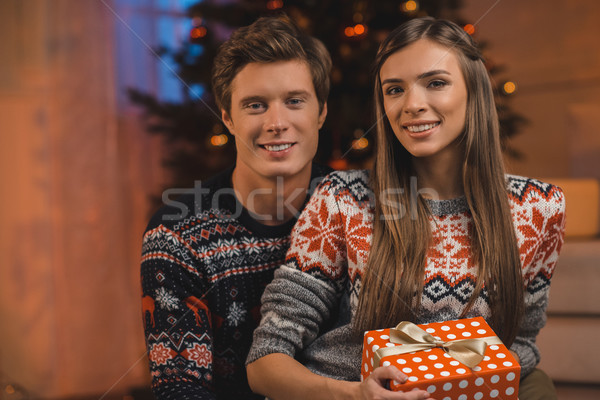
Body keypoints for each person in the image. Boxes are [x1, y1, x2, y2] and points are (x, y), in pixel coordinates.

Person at [246, 17, 565, 400]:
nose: (412, 105)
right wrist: (355, 394)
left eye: (436, 83)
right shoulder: (343, 198)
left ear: (474, 90)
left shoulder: (539, 207)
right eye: (394, 90)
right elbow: (265, 362)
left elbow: (519, 345)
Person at [140, 15, 332, 399]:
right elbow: (180, 390)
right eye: (255, 106)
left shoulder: (357, 209)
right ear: (227, 117)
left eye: (294, 101)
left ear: (321, 112)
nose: (277, 123)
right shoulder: (177, 235)